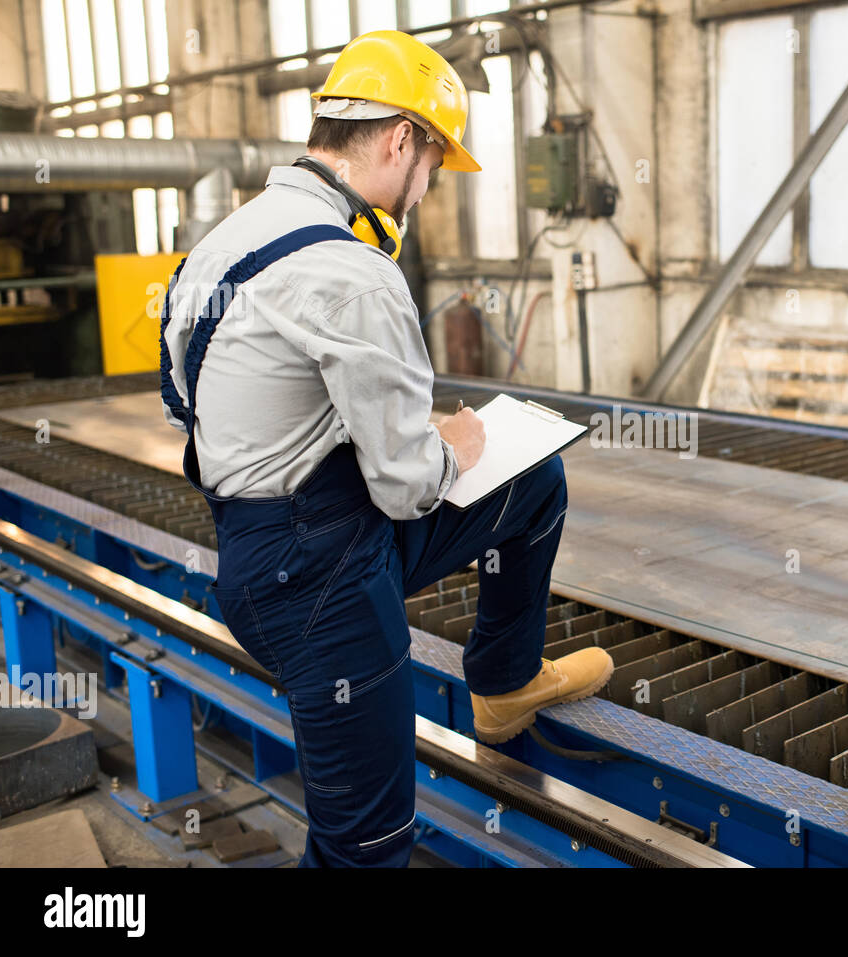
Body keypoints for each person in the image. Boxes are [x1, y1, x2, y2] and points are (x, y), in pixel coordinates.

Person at [158, 30, 612, 867]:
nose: (427, 189)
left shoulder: (217, 248)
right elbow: (409, 490)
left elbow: (190, 403)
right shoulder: (354, 272)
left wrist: (361, 440)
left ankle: (504, 685)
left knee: (534, 481)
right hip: (319, 585)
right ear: (402, 139)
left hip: (260, 546)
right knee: (366, 845)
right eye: (434, 164)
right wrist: (456, 444)